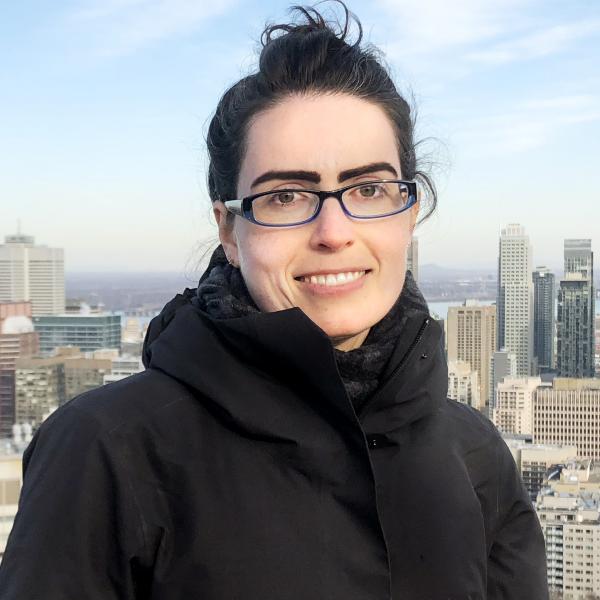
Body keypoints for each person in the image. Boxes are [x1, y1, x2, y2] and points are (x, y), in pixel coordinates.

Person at [0, 3, 549, 599]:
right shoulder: (108, 449)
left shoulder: (473, 454)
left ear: (409, 215)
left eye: (368, 189)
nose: (334, 232)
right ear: (230, 231)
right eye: (286, 195)